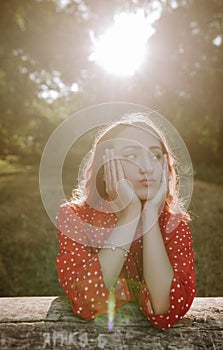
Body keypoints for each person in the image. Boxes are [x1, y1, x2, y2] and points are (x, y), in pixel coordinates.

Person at [56, 112, 196, 330]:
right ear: (105, 169)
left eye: (156, 156)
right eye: (131, 156)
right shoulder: (74, 217)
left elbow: (165, 309)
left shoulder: (173, 223)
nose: (148, 168)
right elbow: (89, 301)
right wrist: (129, 215)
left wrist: (149, 214)